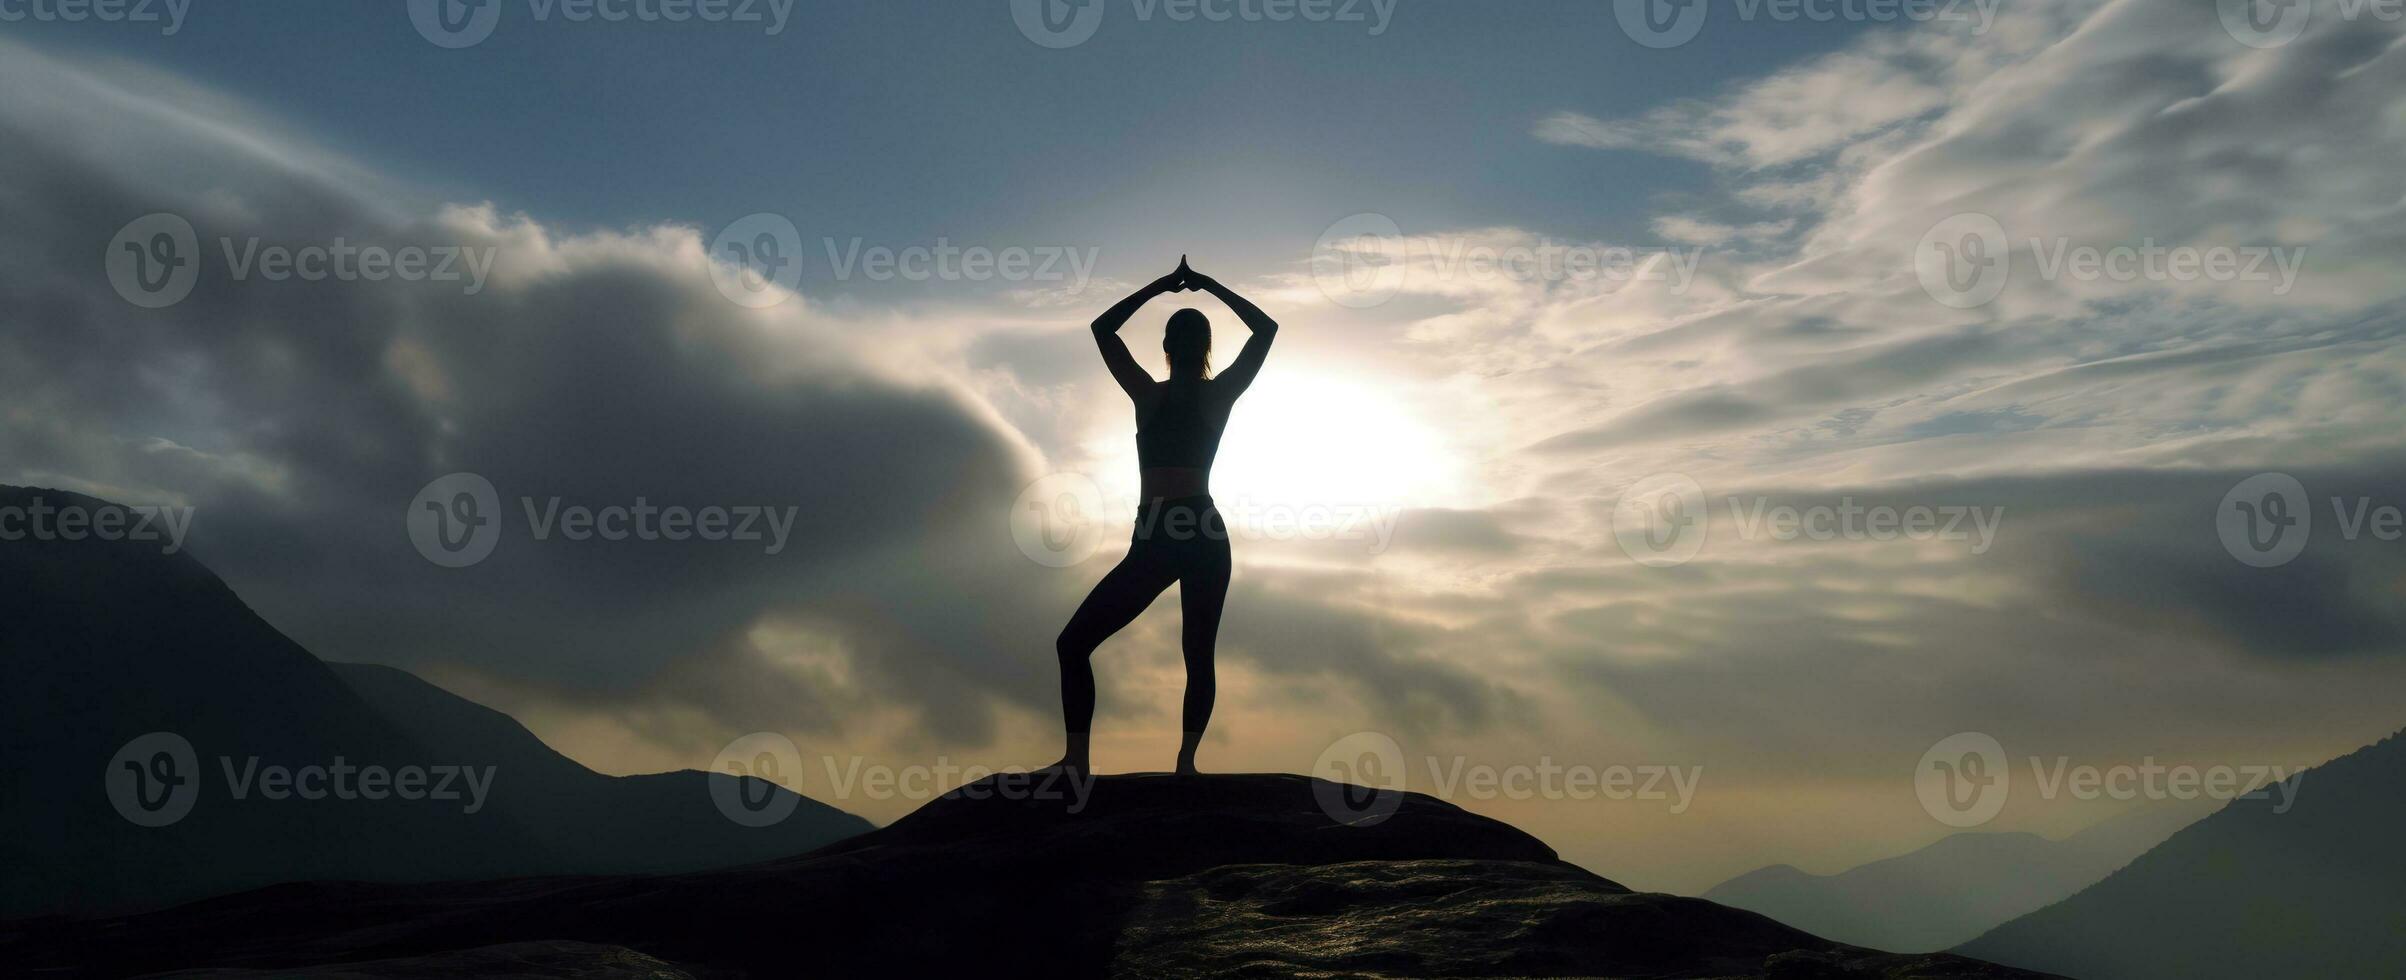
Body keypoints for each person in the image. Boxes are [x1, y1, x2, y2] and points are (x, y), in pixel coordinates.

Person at [1047, 256, 1277, 776]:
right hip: (1200, 528)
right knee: (1197, 654)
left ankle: (1080, 762)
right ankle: (1185, 764)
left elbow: (1102, 328)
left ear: (1167, 349)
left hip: (1161, 530)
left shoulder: (1149, 395)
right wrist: (1211, 285)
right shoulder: (1216, 395)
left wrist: (1163, 287)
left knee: (1075, 644)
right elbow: (1266, 329)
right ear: (1207, 349)